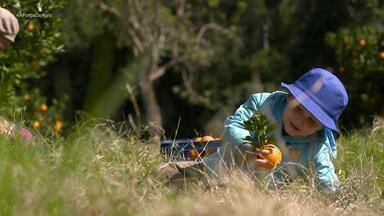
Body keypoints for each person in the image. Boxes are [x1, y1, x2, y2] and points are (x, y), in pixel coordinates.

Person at [155, 68, 348, 194]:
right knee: (169, 183)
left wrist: (335, 199)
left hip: (256, 195)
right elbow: (234, 126)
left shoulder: (316, 146)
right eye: (298, 109)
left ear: (322, 127)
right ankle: (175, 168)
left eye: (312, 121)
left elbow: (327, 182)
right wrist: (247, 147)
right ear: (289, 96)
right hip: (216, 170)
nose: (300, 121)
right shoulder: (264, 105)